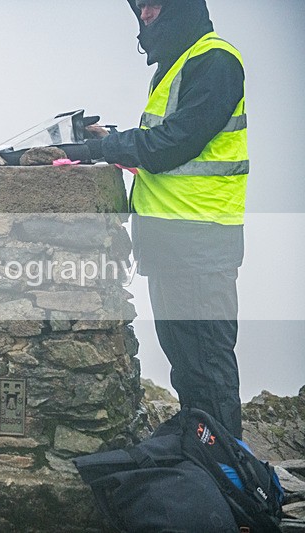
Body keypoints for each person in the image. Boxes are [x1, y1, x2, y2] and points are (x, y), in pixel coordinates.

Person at [64, 0, 248, 438]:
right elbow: (163, 144)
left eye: (154, 7)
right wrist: (113, 140)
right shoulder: (177, 64)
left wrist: (101, 150)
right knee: (188, 367)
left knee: (208, 366)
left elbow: (173, 144)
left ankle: (229, 478)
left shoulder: (215, 59)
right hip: (173, 241)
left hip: (200, 241)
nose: (145, 17)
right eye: (141, 9)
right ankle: (204, 459)